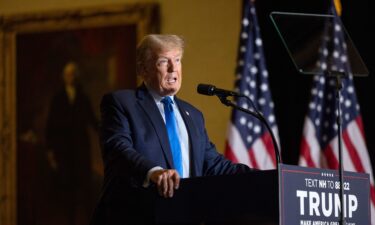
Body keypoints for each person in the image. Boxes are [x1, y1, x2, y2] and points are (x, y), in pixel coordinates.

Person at [90, 34, 251, 225]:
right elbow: (118, 148)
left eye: (177, 60)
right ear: (143, 69)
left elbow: (214, 164)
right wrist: (153, 172)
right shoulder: (122, 103)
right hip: (136, 215)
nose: (173, 68)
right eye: (163, 62)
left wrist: (264, 177)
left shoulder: (194, 115)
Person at [46, 61, 98, 225]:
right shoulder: (58, 99)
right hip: (64, 152)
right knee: (67, 190)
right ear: (63, 77)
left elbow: (93, 121)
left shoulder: (83, 97)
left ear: (77, 76)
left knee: (85, 190)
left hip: (81, 149)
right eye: (68, 74)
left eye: (73, 74)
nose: (71, 77)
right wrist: (50, 151)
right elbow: (51, 126)